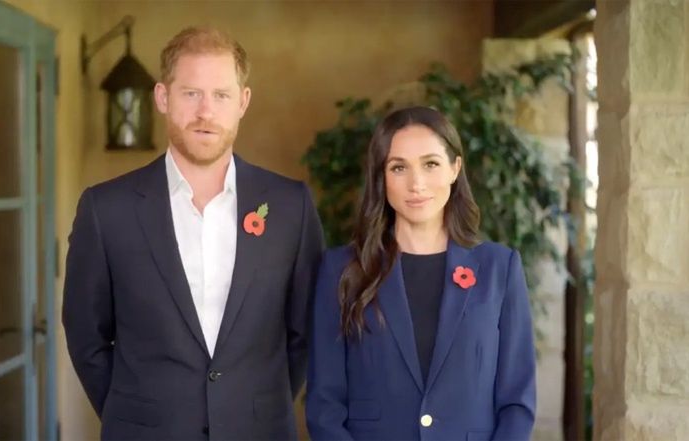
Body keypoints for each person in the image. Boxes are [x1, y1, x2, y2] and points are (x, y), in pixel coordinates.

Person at [63, 27, 324, 440]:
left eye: (221, 95)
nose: (206, 111)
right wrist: (135, 411)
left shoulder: (292, 206)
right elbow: (85, 335)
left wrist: (254, 402)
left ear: (243, 102)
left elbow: (305, 331)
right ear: (163, 98)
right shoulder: (105, 209)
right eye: (191, 94)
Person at [306, 106, 535, 441]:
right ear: (381, 177)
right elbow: (325, 406)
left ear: (455, 168)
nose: (417, 184)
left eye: (431, 164)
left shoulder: (500, 269)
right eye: (399, 167)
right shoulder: (341, 271)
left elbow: (517, 401)